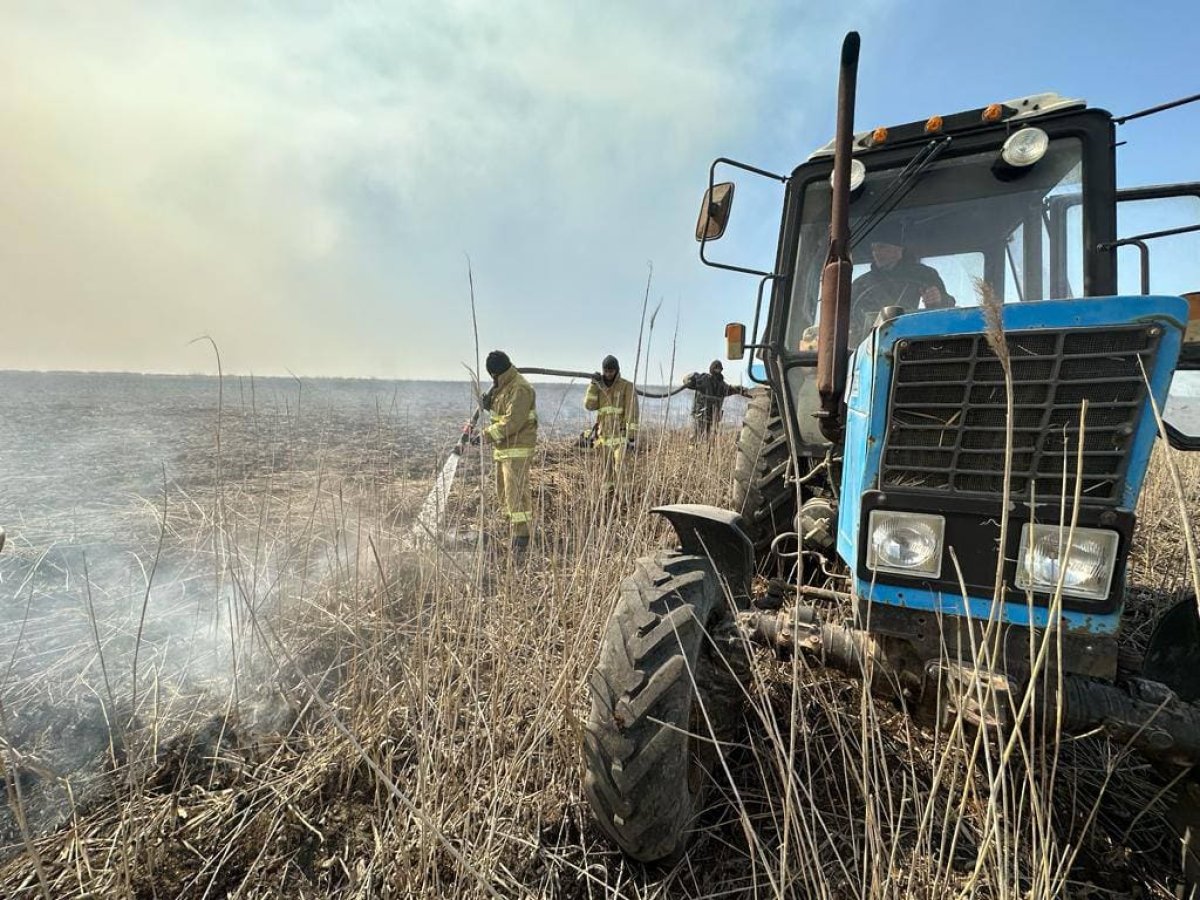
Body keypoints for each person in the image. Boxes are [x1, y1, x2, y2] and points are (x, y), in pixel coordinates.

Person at [850, 221, 955, 341]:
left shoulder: (924, 274)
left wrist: (938, 300)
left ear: (898, 249)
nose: (876, 253)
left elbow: (948, 307)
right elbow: (847, 316)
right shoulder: (861, 283)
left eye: (882, 247)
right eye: (873, 249)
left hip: (914, 337)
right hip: (871, 341)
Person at [479, 350, 538, 550]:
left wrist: (485, 435)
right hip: (504, 450)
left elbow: (512, 421)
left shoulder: (520, 388)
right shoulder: (504, 387)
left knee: (515, 494)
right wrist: (489, 405)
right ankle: (513, 528)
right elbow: (502, 414)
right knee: (503, 493)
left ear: (495, 373)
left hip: (517, 450)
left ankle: (522, 537)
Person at [584, 355, 639, 495]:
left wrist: (631, 437)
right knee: (605, 471)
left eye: (611, 371)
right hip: (604, 437)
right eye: (606, 371)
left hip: (621, 436)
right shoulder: (599, 386)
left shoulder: (626, 386)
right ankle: (607, 497)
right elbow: (589, 406)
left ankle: (624, 496)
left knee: (621, 467)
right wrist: (593, 385)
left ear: (617, 370)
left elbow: (632, 412)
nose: (608, 374)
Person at [682, 360, 751, 435]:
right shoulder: (703, 379)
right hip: (699, 417)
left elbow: (732, 389)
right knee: (696, 437)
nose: (718, 371)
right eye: (716, 369)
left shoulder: (721, 384)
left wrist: (748, 392)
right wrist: (693, 377)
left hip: (712, 418)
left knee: (708, 438)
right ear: (712, 369)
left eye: (719, 369)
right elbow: (687, 381)